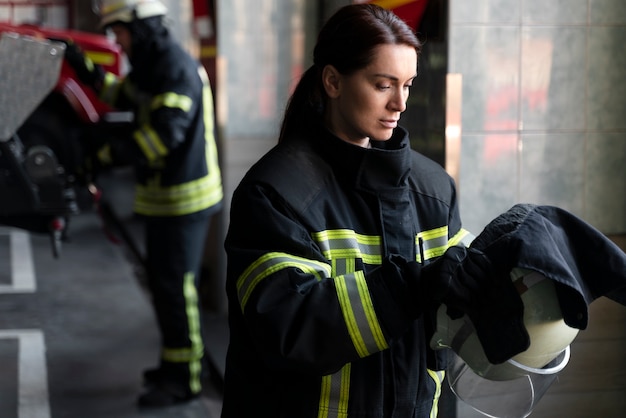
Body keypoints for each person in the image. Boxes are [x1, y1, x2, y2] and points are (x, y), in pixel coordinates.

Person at [222, 3, 527, 417]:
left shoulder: (434, 189)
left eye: (408, 84)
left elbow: (453, 323)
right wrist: (412, 287)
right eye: (383, 85)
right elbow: (290, 328)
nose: (400, 103)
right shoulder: (276, 194)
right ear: (332, 81)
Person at [64, 0, 223, 408]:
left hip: (184, 201)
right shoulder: (154, 66)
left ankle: (184, 379)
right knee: (165, 286)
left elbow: (162, 139)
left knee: (175, 289)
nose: (118, 40)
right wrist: (85, 69)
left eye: (121, 32)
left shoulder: (174, 68)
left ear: (144, 27)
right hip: (166, 200)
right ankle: (175, 364)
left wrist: (104, 156)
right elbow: (123, 95)